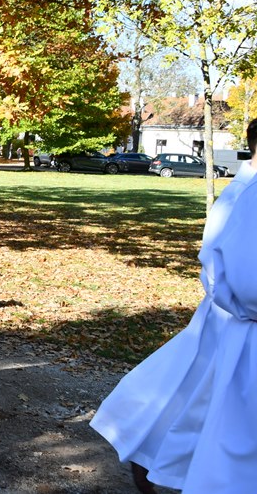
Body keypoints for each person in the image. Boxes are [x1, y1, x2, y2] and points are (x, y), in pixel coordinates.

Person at [90, 118, 257, 493]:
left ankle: (154, 458)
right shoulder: (243, 194)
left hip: (232, 321)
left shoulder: (246, 190)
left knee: (197, 401)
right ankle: (147, 454)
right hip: (233, 321)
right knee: (195, 400)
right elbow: (228, 272)